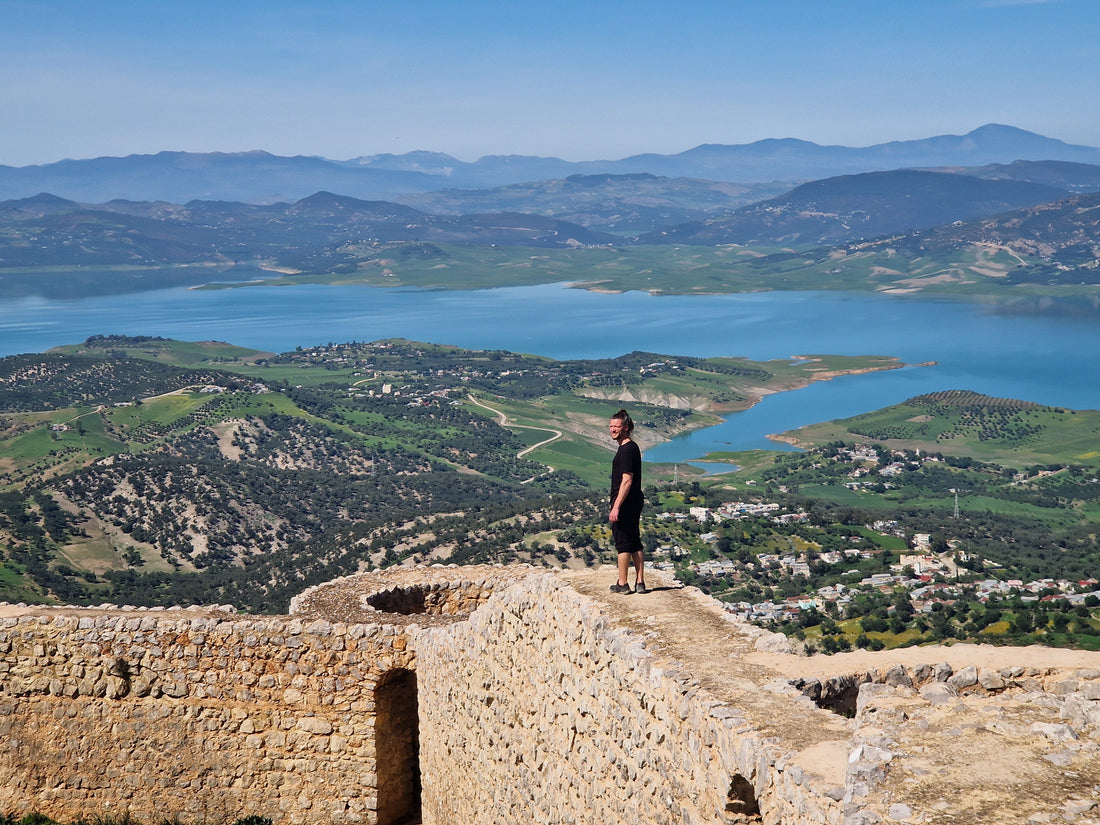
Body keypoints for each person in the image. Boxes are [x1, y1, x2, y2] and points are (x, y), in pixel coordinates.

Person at [607, 409, 646, 594]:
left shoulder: (625, 450)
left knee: (622, 543)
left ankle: (622, 584)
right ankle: (640, 582)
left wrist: (616, 506)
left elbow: (627, 479)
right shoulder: (633, 447)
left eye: (617, 426)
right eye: (611, 426)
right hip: (634, 500)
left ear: (626, 427)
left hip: (625, 503)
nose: (613, 430)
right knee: (634, 541)